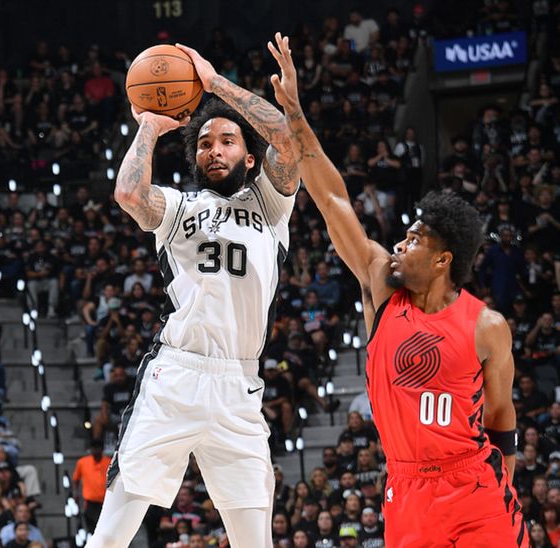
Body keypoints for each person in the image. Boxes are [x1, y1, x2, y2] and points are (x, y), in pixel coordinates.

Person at [267, 32, 529, 546]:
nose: (399, 245)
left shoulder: (487, 326)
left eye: (413, 240)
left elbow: (502, 414)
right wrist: (294, 112)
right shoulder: (383, 289)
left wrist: (500, 484)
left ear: (443, 259)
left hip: (475, 483)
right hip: (407, 487)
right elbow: (333, 199)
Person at [86, 35, 299, 548]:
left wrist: (214, 84)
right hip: (175, 376)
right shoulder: (178, 207)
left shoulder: (270, 205)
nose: (215, 149)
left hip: (240, 386)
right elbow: (128, 193)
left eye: (227, 140)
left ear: (251, 159)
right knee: (111, 535)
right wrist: (149, 125)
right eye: (204, 143)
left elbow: (287, 137)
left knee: (256, 542)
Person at [72, 439, 110, 533]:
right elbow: (76, 479)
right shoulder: (82, 462)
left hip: (105, 501)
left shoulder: (108, 462)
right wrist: (75, 493)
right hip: (90, 502)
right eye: (94, 448)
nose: (96, 450)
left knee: (104, 529)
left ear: (102, 449)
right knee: (91, 528)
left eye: (98, 448)